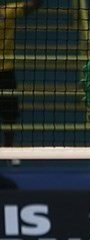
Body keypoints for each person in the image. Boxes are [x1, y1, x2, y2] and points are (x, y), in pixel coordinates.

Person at [1, 0, 41, 163]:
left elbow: (35, 4)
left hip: (6, 71)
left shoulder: (8, 11)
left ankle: (9, 151)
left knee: (10, 113)